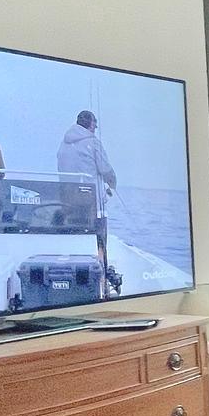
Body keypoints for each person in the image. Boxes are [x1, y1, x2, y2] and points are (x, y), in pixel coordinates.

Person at [56, 109, 119, 290]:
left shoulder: (63, 143)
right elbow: (106, 169)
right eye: (95, 125)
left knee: (75, 233)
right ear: (90, 124)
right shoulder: (92, 142)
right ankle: (102, 276)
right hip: (88, 201)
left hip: (66, 199)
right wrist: (112, 183)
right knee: (99, 235)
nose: (96, 128)